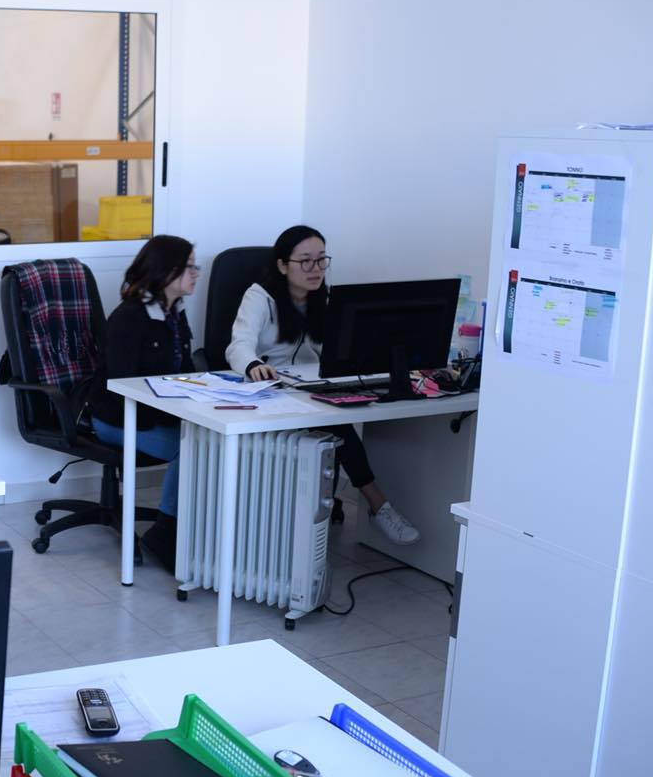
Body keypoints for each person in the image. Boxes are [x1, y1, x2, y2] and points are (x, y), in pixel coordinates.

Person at [226, 225, 420, 545]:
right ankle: (378, 505)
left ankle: (361, 509)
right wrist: (253, 365)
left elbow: (334, 346)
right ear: (282, 265)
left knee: (338, 420)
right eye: (305, 261)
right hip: (267, 389)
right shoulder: (259, 297)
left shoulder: (323, 299)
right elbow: (238, 345)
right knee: (338, 426)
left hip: (308, 386)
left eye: (321, 260)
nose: (315, 269)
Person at [90, 234, 201, 570]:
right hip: (117, 417)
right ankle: (164, 534)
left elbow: (184, 369)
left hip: (158, 415)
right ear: (165, 271)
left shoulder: (174, 312)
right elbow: (122, 384)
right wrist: (175, 408)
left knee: (209, 440)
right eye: (189, 267)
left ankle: (193, 528)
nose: (196, 273)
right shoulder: (130, 316)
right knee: (191, 448)